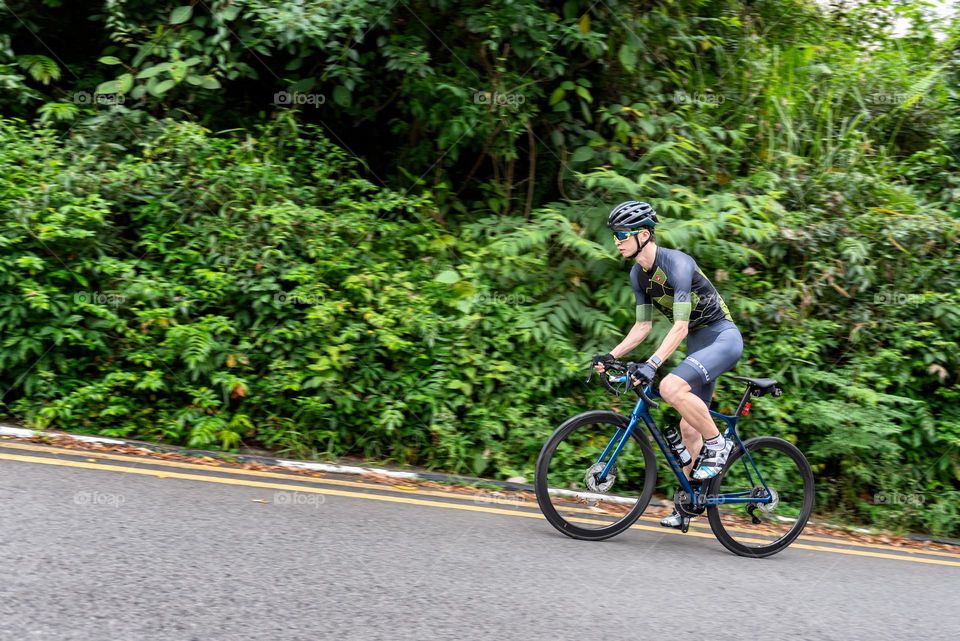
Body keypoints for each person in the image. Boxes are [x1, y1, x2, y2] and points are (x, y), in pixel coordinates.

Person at [592, 200, 744, 528]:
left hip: (722, 339)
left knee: (669, 385)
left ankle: (720, 445)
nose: (616, 241)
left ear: (643, 234)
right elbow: (643, 327)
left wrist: (652, 363)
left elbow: (680, 326)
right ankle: (688, 504)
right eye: (614, 235)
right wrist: (612, 356)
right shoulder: (638, 274)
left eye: (621, 234)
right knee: (689, 427)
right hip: (698, 344)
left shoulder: (677, 264)